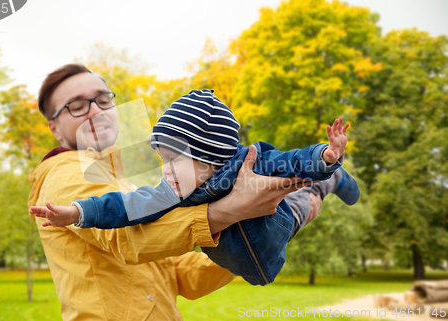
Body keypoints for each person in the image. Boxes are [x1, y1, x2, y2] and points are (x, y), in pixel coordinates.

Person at [28, 64, 321, 320]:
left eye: (103, 100)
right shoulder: (64, 174)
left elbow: (184, 276)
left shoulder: (120, 181)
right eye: (77, 106)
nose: (96, 110)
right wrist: (231, 210)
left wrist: (256, 232)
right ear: (54, 127)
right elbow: (128, 240)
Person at [31, 89, 360, 286]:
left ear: (210, 158)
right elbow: (122, 207)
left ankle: (331, 179)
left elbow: (292, 160)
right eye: (161, 159)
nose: (165, 171)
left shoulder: (251, 162)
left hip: (277, 225)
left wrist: (325, 155)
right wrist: (77, 211)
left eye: (174, 160)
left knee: (304, 199)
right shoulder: (169, 192)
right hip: (248, 260)